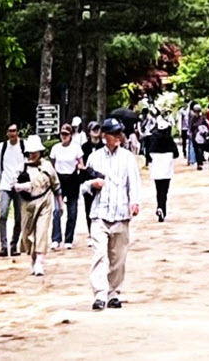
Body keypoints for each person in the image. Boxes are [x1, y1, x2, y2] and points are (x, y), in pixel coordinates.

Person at [82, 117, 141, 311]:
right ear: (105, 136)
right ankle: (99, 294)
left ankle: (114, 293)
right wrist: (92, 184)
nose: (118, 137)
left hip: (121, 212)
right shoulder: (95, 157)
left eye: (119, 134)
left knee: (118, 258)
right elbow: (83, 185)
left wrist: (135, 202)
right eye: (114, 134)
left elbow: (134, 182)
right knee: (99, 255)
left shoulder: (127, 157)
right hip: (99, 213)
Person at [13, 134, 61, 276]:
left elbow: (55, 185)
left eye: (36, 152)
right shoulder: (21, 166)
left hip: (44, 202)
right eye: (31, 152)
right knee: (27, 235)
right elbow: (13, 183)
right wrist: (21, 186)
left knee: (42, 231)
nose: (33, 155)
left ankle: (40, 260)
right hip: (27, 204)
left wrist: (60, 203)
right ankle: (33, 257)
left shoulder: (47, 166)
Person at [50, 123, 85, 249]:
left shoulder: (76, 148)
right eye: (62, 134)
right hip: (59, 179)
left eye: (66, 134)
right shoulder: (55, 148)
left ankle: (68, 239)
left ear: (70, 135)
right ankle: (56, 238)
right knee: (57, 210)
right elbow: (52, 165)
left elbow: (81, 163)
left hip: (72, 180)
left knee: (72, 211)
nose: (64, 136)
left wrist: (80, 168)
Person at [0, 123, 24, 257]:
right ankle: (3, 245)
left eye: (14, 131)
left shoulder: (23, 145)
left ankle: (14, 245)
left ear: (18, 132)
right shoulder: (3, 147)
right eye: (10, 131)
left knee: (19, 217)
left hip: (19, 186)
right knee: (3, 214)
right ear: (7, 133)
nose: (12, 133)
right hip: (5, 185)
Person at [146, 117, 179, 222]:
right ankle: (161, 208)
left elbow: (148, 155)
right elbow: (176, 154)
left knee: (158, 190)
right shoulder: (169, 140)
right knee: (164, 191)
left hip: (156, 169)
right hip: (166, 169)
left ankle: (160, 207)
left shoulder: (152, 139)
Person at [81, 121, 105, 243]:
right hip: (88, 182)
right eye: (93, 129)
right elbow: (82, 165)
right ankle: (91, 233)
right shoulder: (84, 148)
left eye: (97, 129)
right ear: (89, 132)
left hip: (103, 180)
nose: (96, 131)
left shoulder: (104, 147)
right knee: (88, 208)